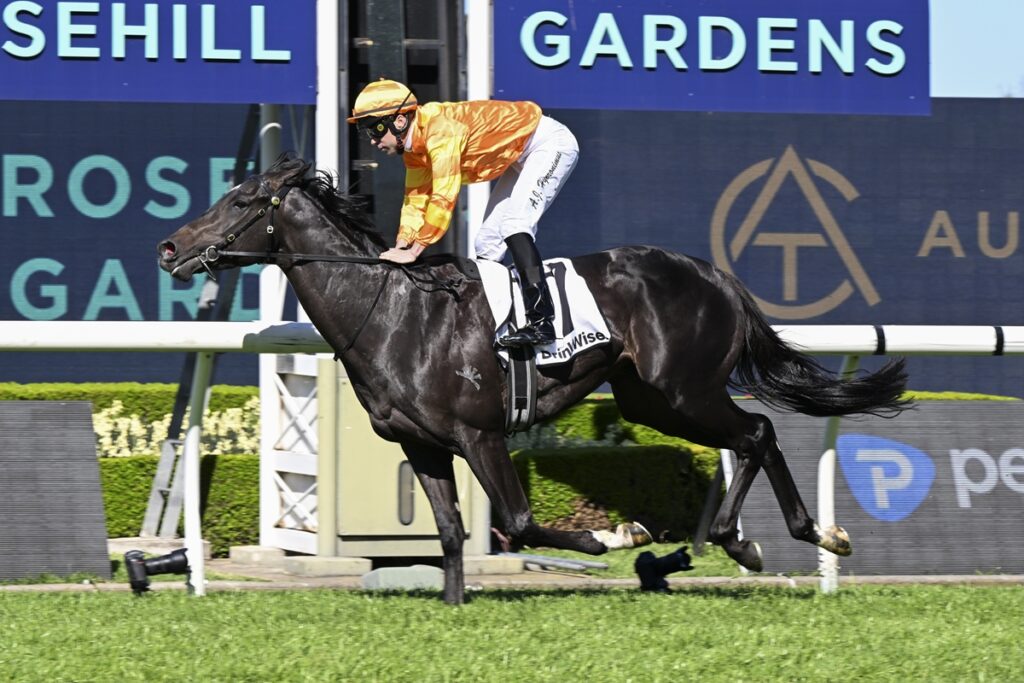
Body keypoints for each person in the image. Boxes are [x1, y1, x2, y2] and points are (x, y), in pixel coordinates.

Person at [346, 78, 579, 348]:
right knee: (487, 243)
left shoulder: (440, 131)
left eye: (374, 128)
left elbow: (444, 196)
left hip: (549, 144)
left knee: (515, 224)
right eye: (366, 131)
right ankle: (491, 320)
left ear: (399, 121)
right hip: (520, 154)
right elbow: (415, 200)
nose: (373, 140)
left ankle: (542, 321)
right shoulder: (414, 149)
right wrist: (401, 245)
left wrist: (415, 250)